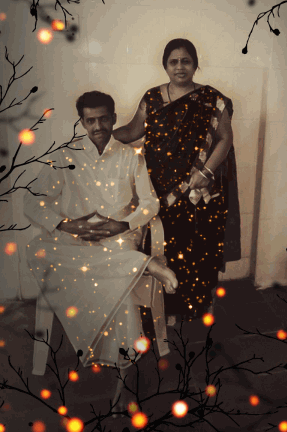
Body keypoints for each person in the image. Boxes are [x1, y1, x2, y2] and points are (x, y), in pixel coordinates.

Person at [24, 90, 178, 413]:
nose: (98, 126)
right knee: (38, 250)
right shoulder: (64, 155)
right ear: (82, 122)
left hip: (116, 242)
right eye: (90, 120)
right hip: (75, 244)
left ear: (114, 118)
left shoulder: (131, 157)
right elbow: (31, 201)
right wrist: (67, 225)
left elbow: (150, 203)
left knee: (117, 291)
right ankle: (145, 264)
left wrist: (122, 225)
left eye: (104, 119)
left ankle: (123, 383)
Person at [113, 38, 241, 324]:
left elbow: (225, 138)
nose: (180, 67)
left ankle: (198, 305)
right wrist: (101, 138)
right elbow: (133, 131)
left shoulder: (212, 99)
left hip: (197, 188)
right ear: (165, 66)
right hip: (159, 189)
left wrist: (205, 173)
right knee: (163, 248)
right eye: (174, 61)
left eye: (186, 61)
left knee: (199, 247)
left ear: (195, 65)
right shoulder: (152, 98)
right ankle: (166, 308)